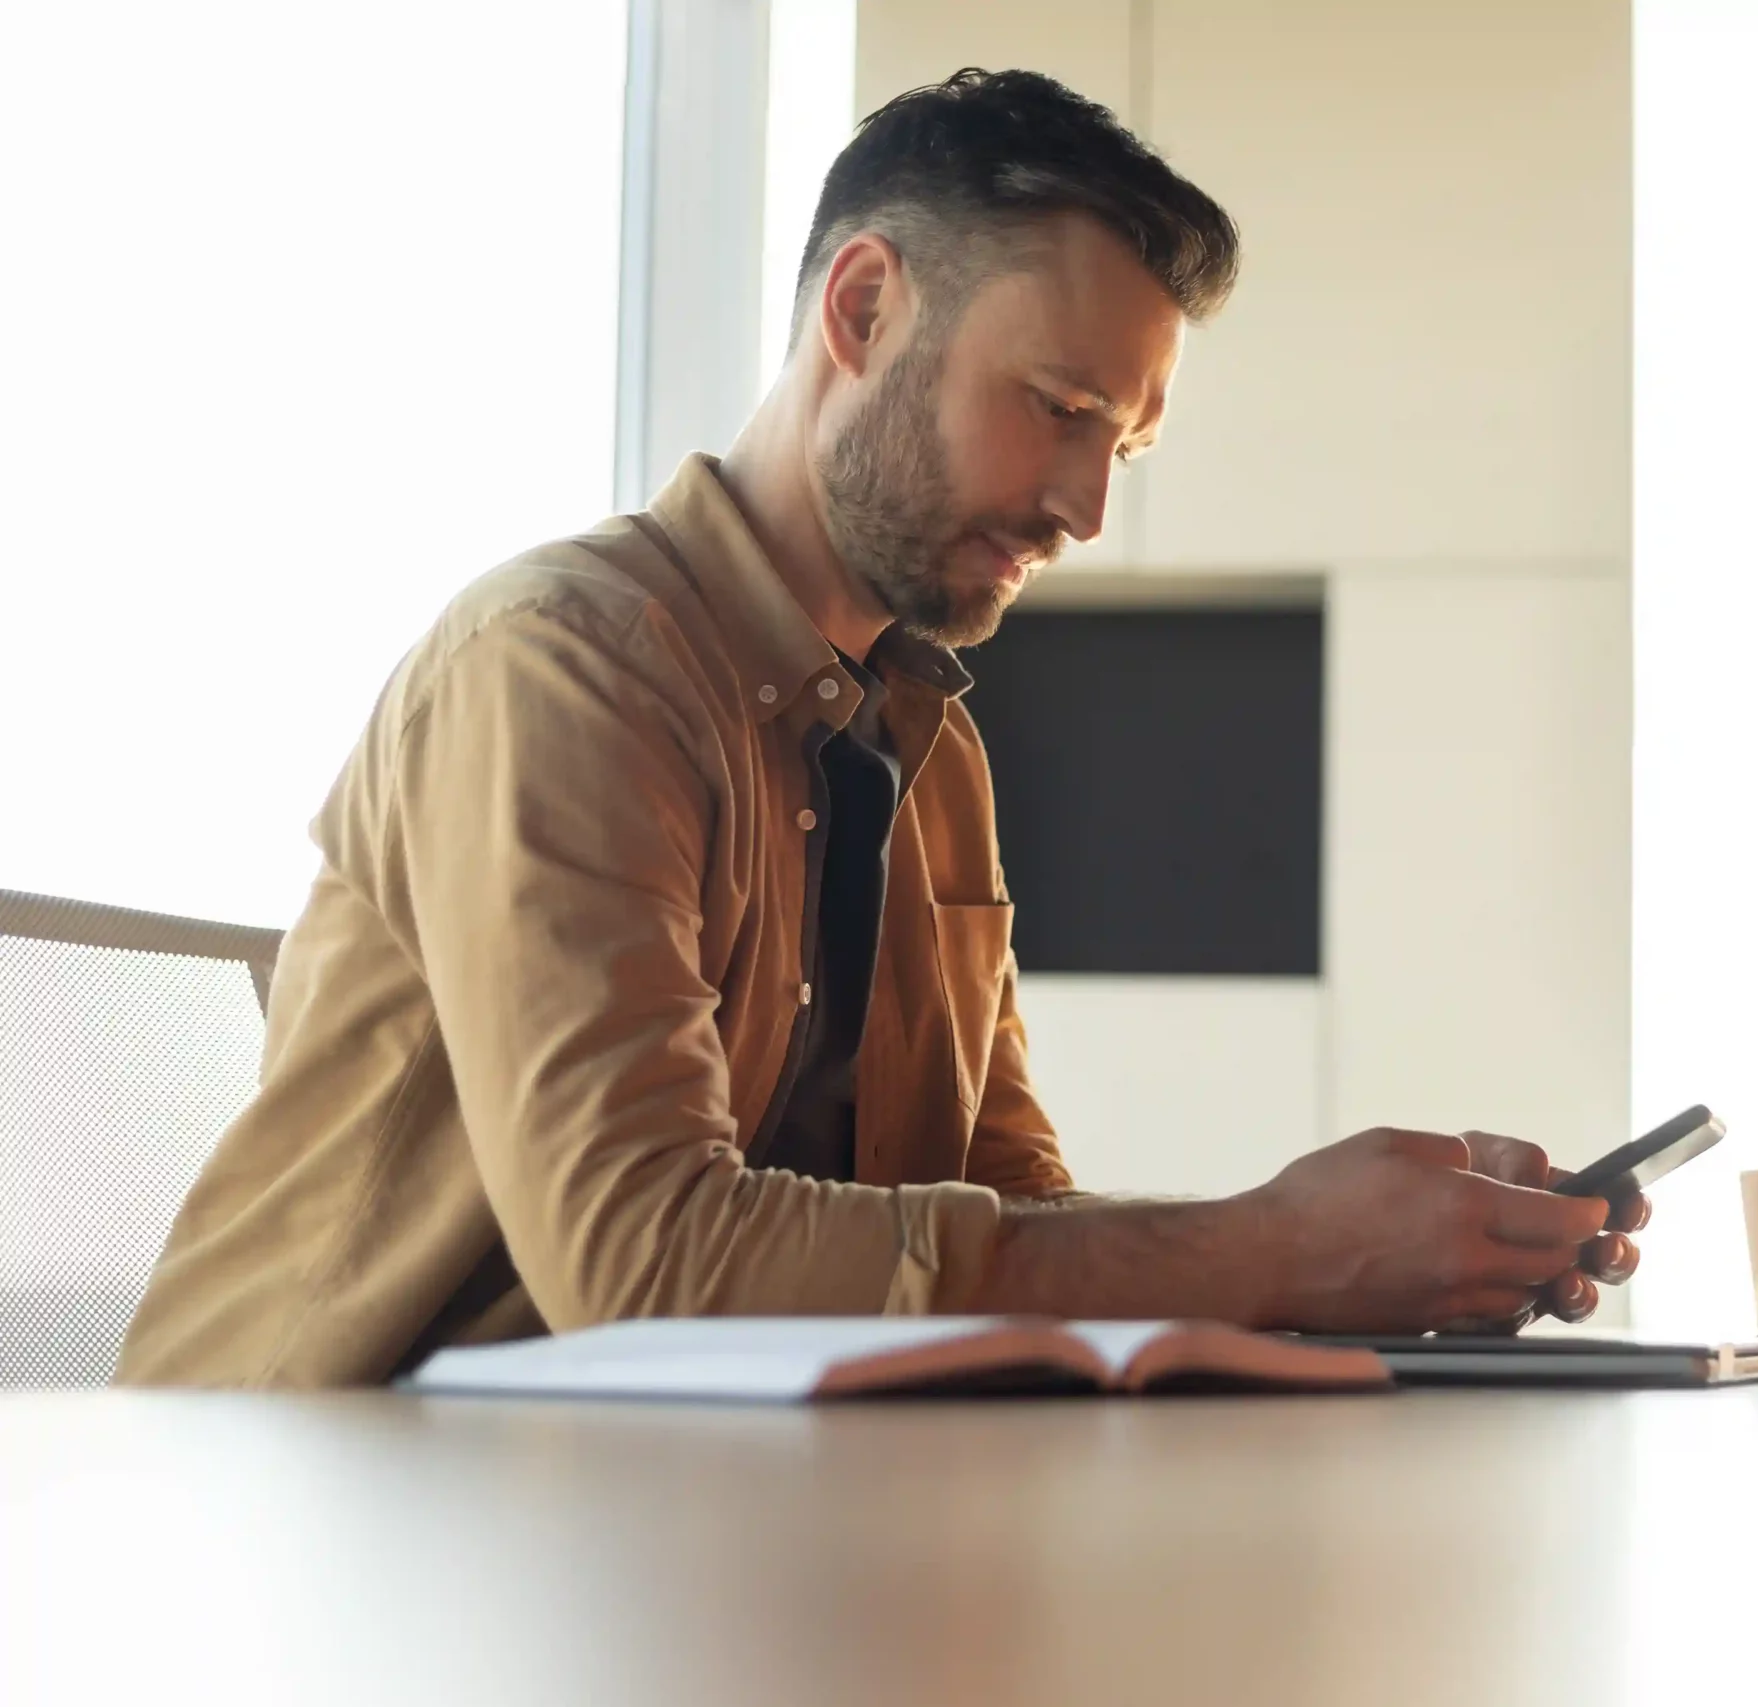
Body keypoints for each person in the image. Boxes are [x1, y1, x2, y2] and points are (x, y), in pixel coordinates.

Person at [117, 69, 1642, 1388]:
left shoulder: (933, 753)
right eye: (1056, 407)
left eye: (1123, 443)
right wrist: (1274, 1248)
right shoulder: (564, 669)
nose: (1089, 508)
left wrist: (1381, 1250)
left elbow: (1010, 1206)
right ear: (862, 307)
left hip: (653, 1521)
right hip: (316, 1520)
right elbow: (642, 1260)